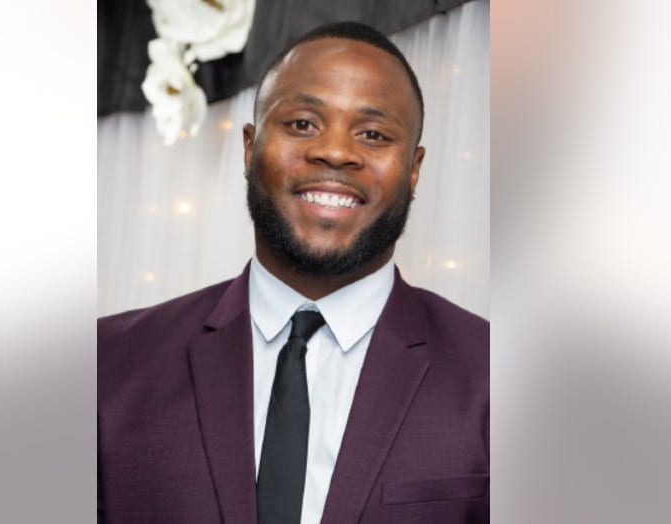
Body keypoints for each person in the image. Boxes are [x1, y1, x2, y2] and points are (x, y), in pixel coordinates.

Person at [98, 21, 488, 524]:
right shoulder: (106, 363)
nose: (335, 152)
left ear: (414, 171)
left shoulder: (496, 376)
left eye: (372, 134)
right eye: (303, 123)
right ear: (249, 147)